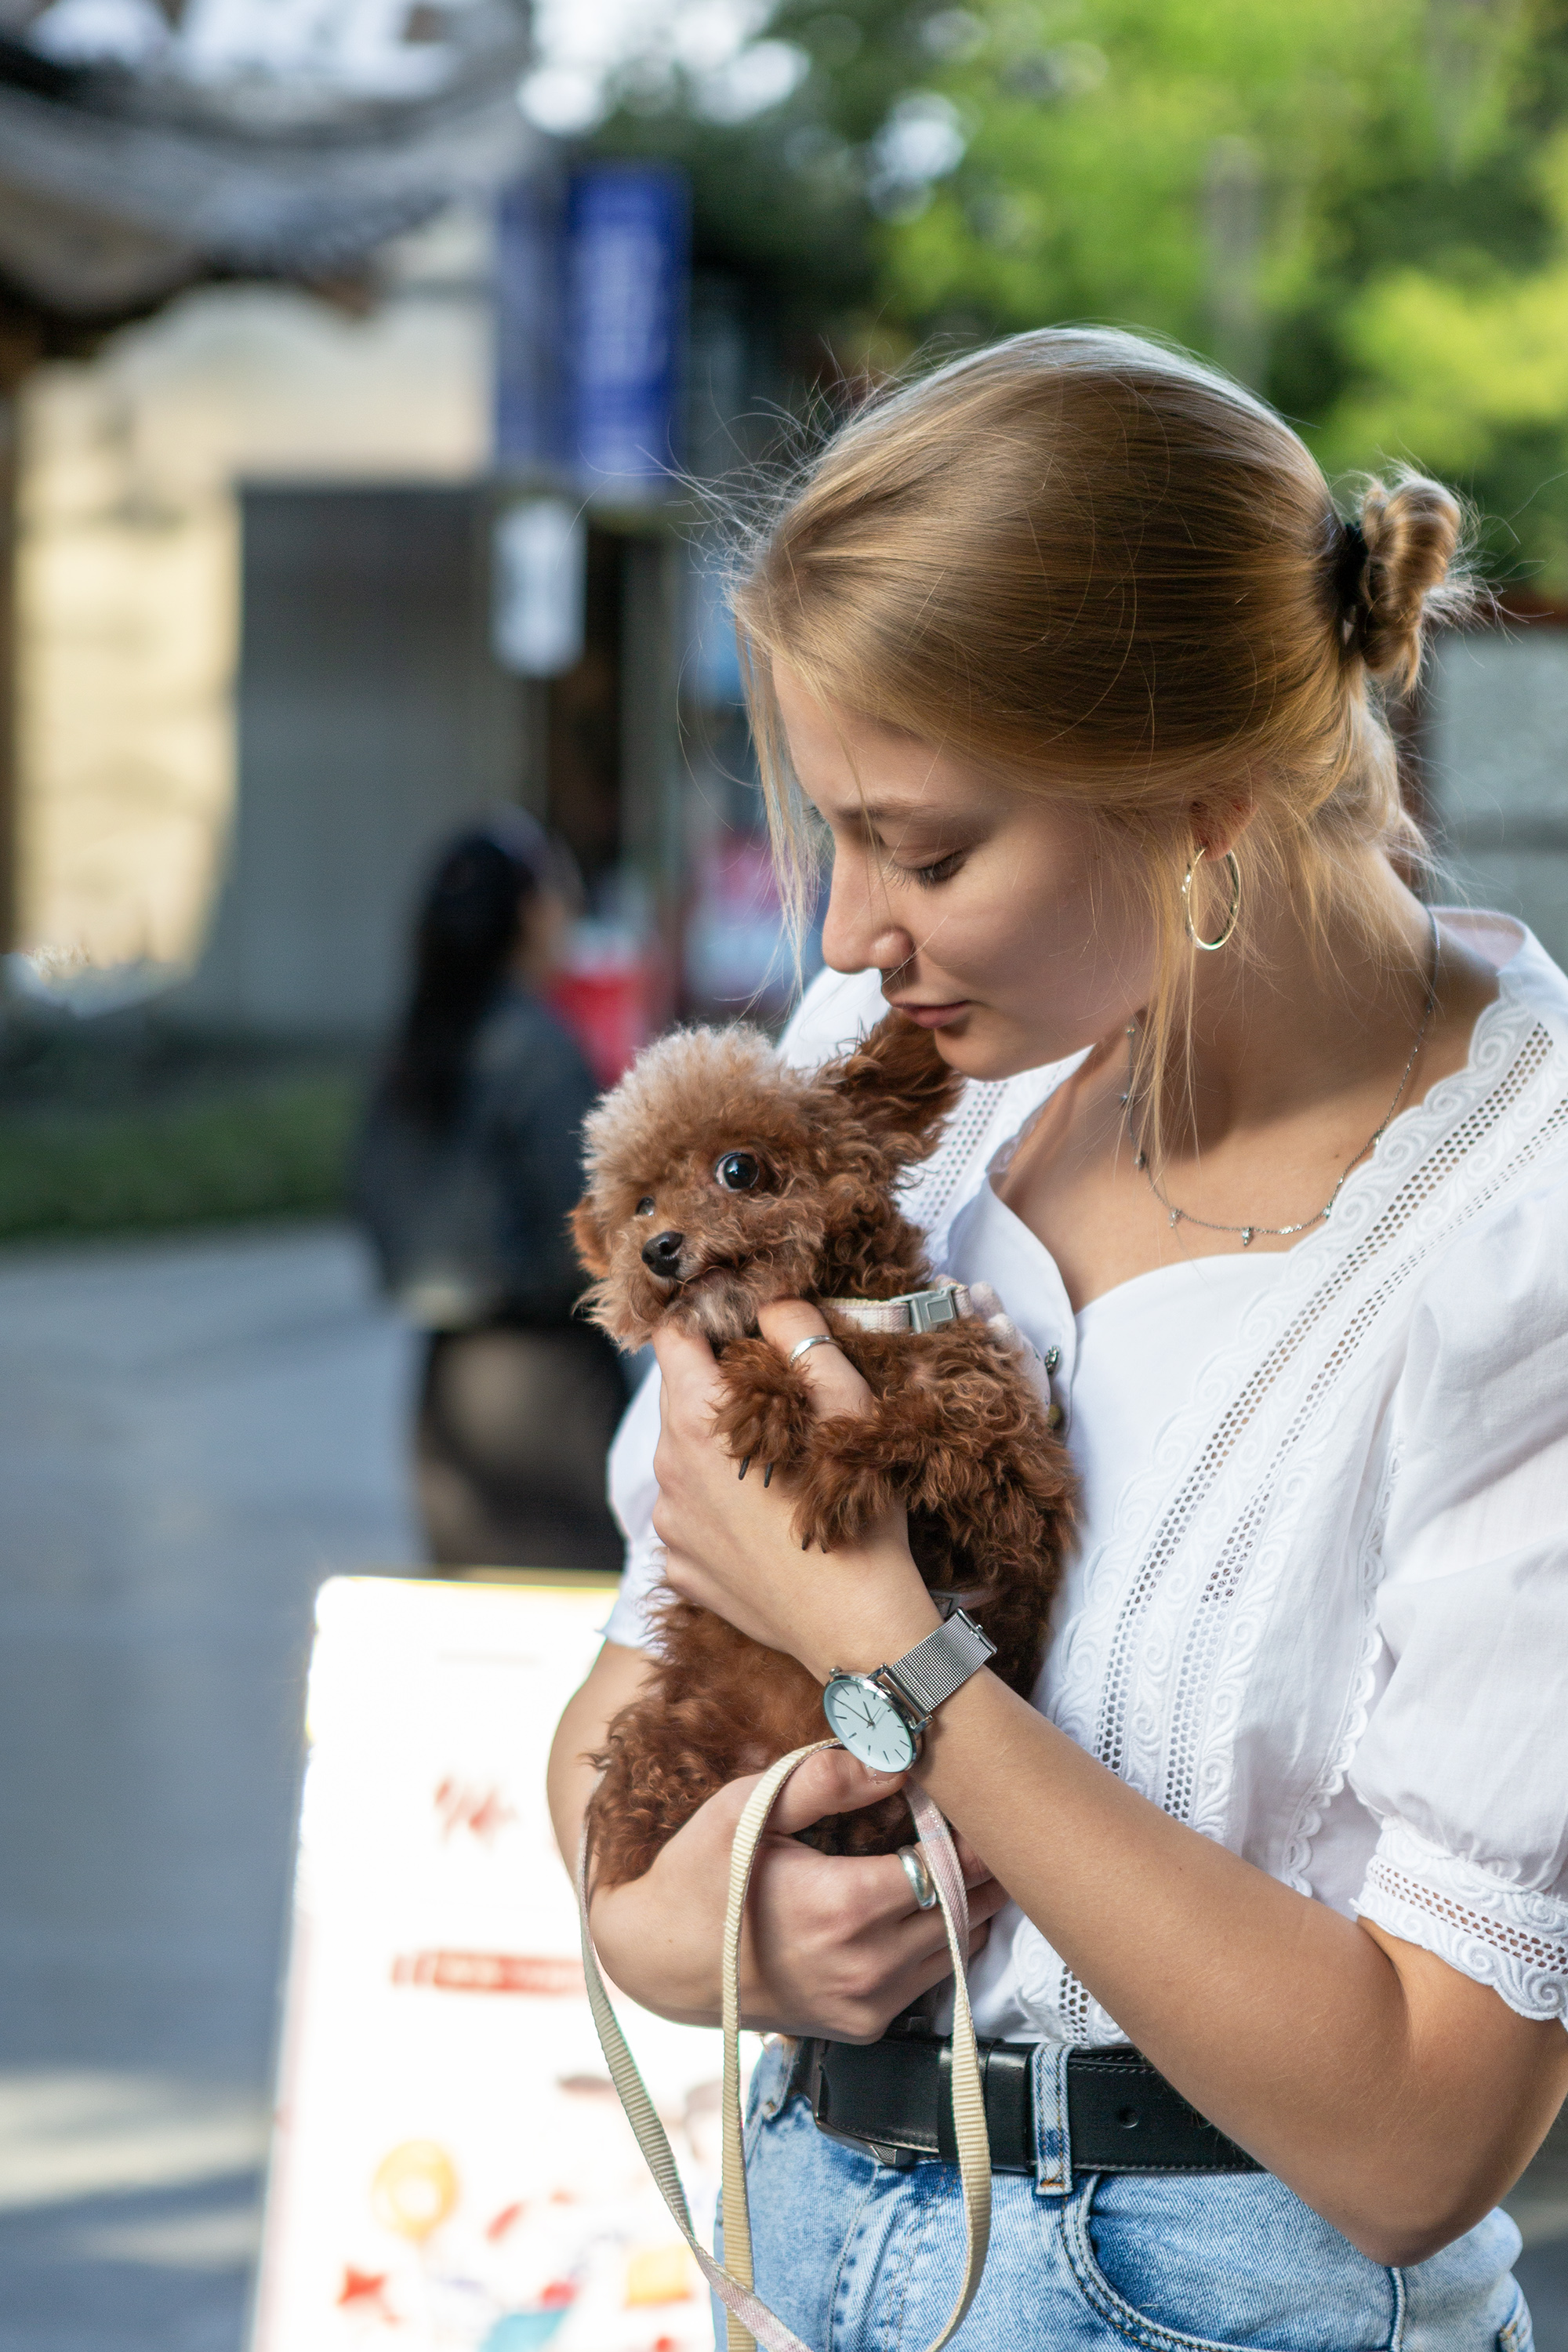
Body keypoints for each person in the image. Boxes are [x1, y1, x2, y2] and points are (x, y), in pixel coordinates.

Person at [549, 328, 1568, 2347]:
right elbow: (620, 1732)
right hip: (798, 2228)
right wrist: (705, 1920)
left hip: (1213, 2290)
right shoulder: (891, 1111)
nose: (845, 934)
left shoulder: (1516, 1235)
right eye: (834, 835)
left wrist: (896, 1664)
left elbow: (1412, 2131)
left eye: (926, 852)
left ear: (1200, 809)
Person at [355, 813, 628, 1572]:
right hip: (549, 1389)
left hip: (448, 1388)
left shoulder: (413, 1044)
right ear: (526, 915)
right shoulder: (534, 1047)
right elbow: (591, 1223)